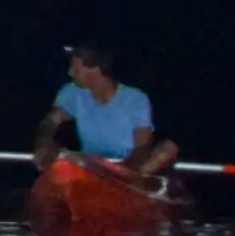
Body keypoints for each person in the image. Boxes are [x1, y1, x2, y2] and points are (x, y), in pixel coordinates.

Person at [35, 44, 178, 187]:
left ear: (96, 70)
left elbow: (141, 147)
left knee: (167, 149)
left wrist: (121, 172)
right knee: (64, 159)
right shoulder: (71, 92)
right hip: (89, 165)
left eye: (76, 68)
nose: (70, 73)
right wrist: (44, 142)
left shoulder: (136, 99)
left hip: (128, 168)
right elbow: (50, 122)